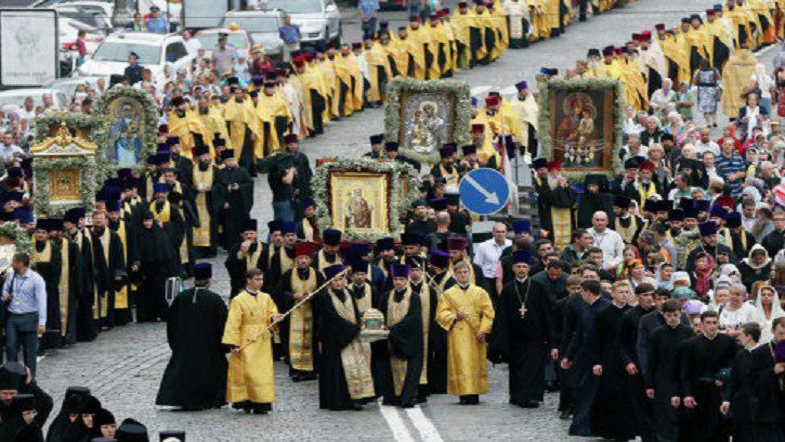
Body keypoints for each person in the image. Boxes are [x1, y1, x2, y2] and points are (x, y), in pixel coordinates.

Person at [156, 263, 229, 411]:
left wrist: (174, 343)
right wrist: (225, 346)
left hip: (184, 347)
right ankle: (209, 400)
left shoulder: (181, 298)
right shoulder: (215, 299)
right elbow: (223, 325)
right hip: (208, 347)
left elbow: (171, 323)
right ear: (209, 280)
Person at [491, 250, 555, 408]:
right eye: (518, 266)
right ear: (513, 269)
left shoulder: (538, 287)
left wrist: (550, 336)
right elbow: (501, 316)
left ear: (529, 269)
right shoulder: (507, 289)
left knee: (534, 367)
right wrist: (500, 339)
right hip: (515, 336)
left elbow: (546, 313)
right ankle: (518, 395)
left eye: (524, 266)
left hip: (535, 336)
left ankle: (532, 396)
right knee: (517, 368)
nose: (521, 269)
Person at [317, 264, 376, 410]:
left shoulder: (349, 292)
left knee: (354, 367)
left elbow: (355, 313)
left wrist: (359, 325)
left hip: (350, 336)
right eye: (335, 280)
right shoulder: (324, 297)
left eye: (341, 279)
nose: (338, 282)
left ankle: (355, 398)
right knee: (338, 369)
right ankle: (338, 401)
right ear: (329, 282)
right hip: (334, 339)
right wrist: (352, 328)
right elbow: (331, 318)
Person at [222, 268, 281, 414]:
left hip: (262, 340)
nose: (260, 282)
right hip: (246, 339)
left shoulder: (266, 297)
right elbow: (233, 323)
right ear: (248, 280)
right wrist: (233, 344)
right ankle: (247, 400)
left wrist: (273, 318)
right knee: (248, 371)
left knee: (263, 372)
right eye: (257, 279)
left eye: (261, 279)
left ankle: (262, 401)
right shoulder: (238, 300)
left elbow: (270, 312)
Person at [435, 261, 495, 405]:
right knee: (461, 362)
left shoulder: (480, 292)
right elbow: (440, 314)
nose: (463, 275)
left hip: (476, 334)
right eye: (459, 273)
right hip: (458, 334)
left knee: (475, 363)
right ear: (455, 275)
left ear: (470, 273)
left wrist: (484, 330)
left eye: (465, 272)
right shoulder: (448, 294)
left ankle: (474, 392)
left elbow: (488, 313)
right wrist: (455, 317)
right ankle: (463, 393)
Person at [679, 310, 740, 441]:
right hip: (699, 392)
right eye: (708, 323)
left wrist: (727, 388)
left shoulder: (729, 342)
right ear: (701, 325)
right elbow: (685, 372)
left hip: (721, 392)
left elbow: (734, 368)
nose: (712, 326)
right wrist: (688, 394)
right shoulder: (690, 344)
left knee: (721, 429)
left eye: (715, 322)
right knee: (700, 429)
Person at [561, 279, 610, 436]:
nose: (580, 294)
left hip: (600, 359)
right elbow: (579, 335)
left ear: (588, 292)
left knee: (595, 393)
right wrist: (568, 356)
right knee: (583, 391)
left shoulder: (606, 309)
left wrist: (600, 361)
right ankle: (582, 425)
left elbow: (607, 340)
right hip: (585, 357)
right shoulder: (585, 309)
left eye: (581, 291)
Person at [645, 299, 695, 442]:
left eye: (675, 315)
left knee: (684, 413)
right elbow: (652, 360)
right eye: (669, 315)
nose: (672, 318)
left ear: (681, 314)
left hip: (683, 376)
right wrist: (649, 384)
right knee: (665, 413)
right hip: (663, 377)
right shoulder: (657, 334)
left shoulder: (688, 332)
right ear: (663, 315)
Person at [379, 263, 423, 408]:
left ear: (407, 279)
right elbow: (381, 315)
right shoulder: (386, 296)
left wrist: (394, 328)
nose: (398, 282)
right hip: (391, 341)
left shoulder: (415, 297)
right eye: (395, 279)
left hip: (408, 341)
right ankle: (392, 397)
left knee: (409, 370)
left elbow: (413, 318)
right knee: (390, 369)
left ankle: (407, 398)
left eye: (401, 279)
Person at [2, 253, 47, 376]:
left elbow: (42, 301)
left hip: (29, 317)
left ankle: (30, 379)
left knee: (29, 351)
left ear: (21, 264)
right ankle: (12, 377)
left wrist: (42, 322)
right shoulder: (12, 276)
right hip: (13, 316)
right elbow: (5, 290)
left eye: (14, 262)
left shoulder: (36, 279)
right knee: (11, 348)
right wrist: (5, 295)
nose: (12, 264)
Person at [720, 322, 760, 442]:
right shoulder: (740, 355)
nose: (738, 337)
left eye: (741, 334)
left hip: (759, 402)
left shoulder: (764, 353)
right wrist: (727, 399)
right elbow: (734, 380)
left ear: (749, 336)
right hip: (741, 402)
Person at [749, 317, 785, 441]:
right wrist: (772, 371)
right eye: (781, 333)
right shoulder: (760, 352)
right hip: (770, 408)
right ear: (772, 330)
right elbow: (752, 381)